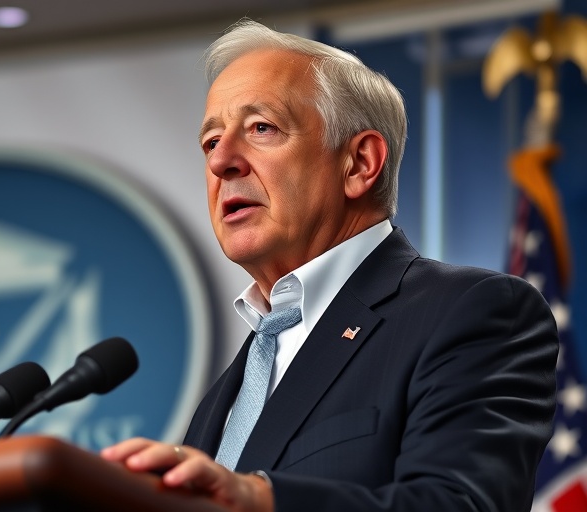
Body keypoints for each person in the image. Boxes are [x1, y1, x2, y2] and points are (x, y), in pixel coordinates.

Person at [100, 18, 559, 512]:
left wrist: (260, 499)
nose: (221, 162)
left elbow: (461, 504)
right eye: (211, 141)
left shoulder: (473, 313)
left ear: (360, 163)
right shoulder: (228, 390)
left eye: (261, 128)